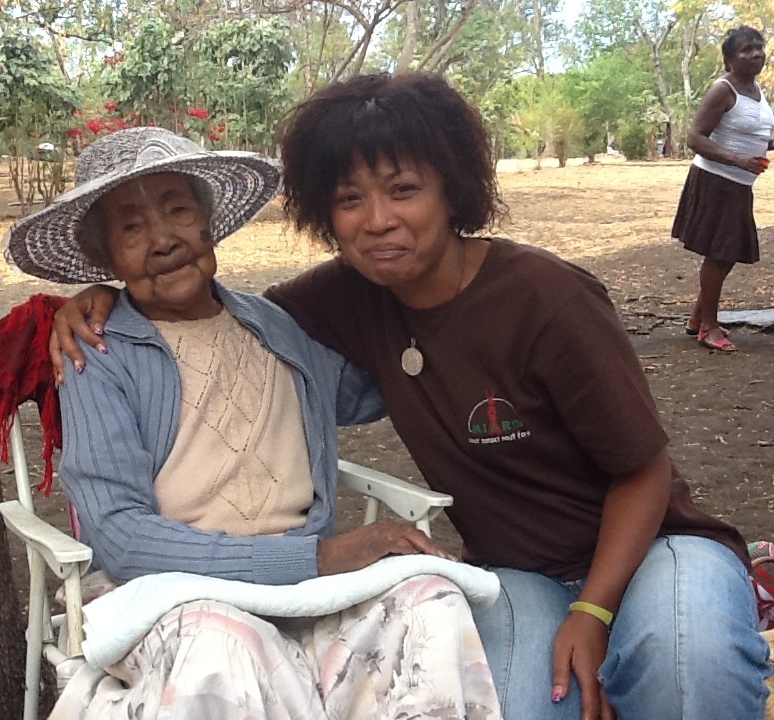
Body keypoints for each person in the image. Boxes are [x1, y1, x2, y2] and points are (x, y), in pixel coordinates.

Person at [53, 74, 772, 720]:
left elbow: (643, 469)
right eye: (348, 200)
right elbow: (199, 324)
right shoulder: (331, 303)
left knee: (690, 673)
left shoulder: (547, 299)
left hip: (652, 545)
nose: (378, 220)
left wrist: (593, 609)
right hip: (517, 571)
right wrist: (93, 305)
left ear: (452, 189)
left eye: (403, 190)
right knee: (519, 706)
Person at [5, 126, 503, 720]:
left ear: (209, 225)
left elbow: (383, 383)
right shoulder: (98, 355)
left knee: (431, 603)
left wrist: (433, 290)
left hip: (306, 587)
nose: (163, 240)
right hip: (175, 593)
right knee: (221, 645)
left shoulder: (276, 325)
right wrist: (317, 560)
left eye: (178, 211)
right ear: (108, 260)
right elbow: (122, 537)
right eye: (131, 228)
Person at [672, 25, 774, 352]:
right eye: (747, 49)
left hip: (739, 184)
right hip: (717, 181)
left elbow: (757, 138)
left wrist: (759, 151)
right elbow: (695, 137)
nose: (757, 53)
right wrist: (738, 160)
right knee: (721, 255)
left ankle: (697, 317)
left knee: (725, 254)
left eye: (759, 47)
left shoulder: (757, 93)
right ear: (729, 60)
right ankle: (708, 327)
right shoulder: (724, 89)